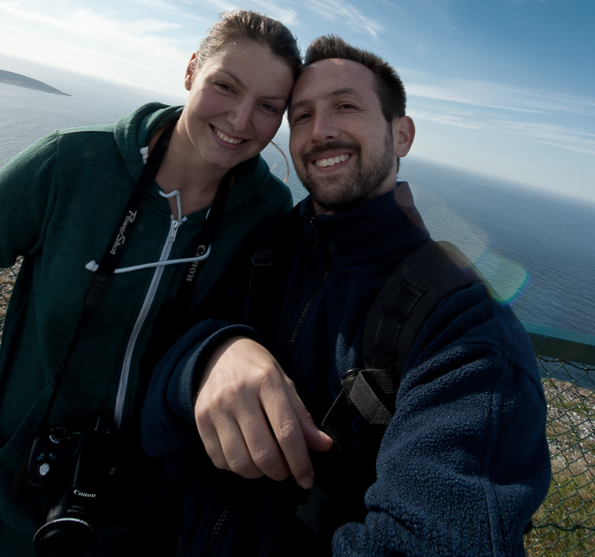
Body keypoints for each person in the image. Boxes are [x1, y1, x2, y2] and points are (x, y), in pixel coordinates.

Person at [143, 35, 551, 556]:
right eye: (302, 115)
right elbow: (155, 417)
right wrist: (208, 358)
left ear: (401, 135)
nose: (321, 131)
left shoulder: (463, 328)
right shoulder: (264, 247)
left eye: (346, 106)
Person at [0, 9, 302, 557]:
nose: (241, 121)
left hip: (145, 519)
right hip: (8, 500)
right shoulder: (73, 164)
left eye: (269, 107)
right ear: (192, 70)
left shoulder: (264, 210)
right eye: (225, 86)